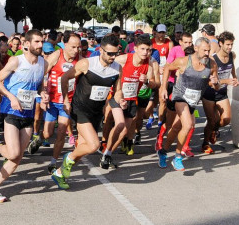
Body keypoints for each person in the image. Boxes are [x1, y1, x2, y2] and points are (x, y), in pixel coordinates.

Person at [0, 29, 48, 202]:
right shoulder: (16, 61)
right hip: (11, 111)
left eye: (42, 42)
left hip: (28, 112)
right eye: (37, 42)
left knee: (18, 157)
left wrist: (44, 93)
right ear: (26, 44)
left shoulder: (43, 63)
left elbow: (40, 85)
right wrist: (11, 97)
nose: (40, 45)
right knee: (13, 153)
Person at [51, 34, 122, 189]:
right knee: (94, 145)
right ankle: (67, 157)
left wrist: (120, 99)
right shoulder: (87, 63)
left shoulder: (117, 68)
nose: (112, 57)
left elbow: (117, 91)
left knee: (83, 149)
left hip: (96, 113)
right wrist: (65, 100)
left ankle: (59, 173)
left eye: (115, 53)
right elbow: (64, 78)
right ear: (101, 50)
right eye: (109, 53)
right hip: (80, 109)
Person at [158, 37, 220, 171]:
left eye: (209, 51)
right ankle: (178, 157)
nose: (207, 54)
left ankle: (162, 151)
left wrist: (215, 83)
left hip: (193, 100)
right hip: (179, 96)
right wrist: (163, 88)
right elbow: (168, 67)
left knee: (175, 128)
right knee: (188, 125)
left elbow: (215, 86)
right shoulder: (184, 61)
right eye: (204, 50)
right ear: (196, 49)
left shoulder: (212, 64)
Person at [100, 34, 157, 169]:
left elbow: (155, 84)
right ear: (135, 48)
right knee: (117, 123)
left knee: (125, 130)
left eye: (148, 50)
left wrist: (147, 81)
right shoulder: (124, 59)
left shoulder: (148, 65)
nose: (146, 53)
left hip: (132, 100)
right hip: (117, 97)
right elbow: (106, 61)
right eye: (143, 49)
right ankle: (104, 144)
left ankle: (107, 154)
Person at [28, 32, 81, 173]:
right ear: (65, 44)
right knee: (48, 133)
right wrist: (43, 93)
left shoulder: (80, 59)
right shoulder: (57, 55)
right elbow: (42, 74)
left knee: (62, 132)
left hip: (66, 102)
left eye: (78, 47)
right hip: (52, 100)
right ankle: (39, 138)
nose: (76, 50)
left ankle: (53, 162)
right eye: (73, 47)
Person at [201, 31, 239, 153]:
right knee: (211, 120)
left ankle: (214, 130)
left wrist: (235, 78)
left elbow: (231, 68)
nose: (230, 47)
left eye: (231, 44)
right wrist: (225, 81)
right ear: (220, 43)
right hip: (209, 94)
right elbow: (207, 81)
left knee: (226, 119)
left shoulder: (231, 56)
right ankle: (205, 143)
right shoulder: (212, 59)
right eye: (227, 44)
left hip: (222, 93)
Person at [156, 32, 194, 156]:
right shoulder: (175, 51)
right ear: (181, 42)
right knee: (170, 123)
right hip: (174, 85)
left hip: (189, 90)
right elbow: (168, 66)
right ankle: (160, 138)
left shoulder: (193, 52)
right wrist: (164, 87)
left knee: (191, 122)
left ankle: (185, 147)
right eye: (186, 42)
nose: (189, 44)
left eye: (190, 42)